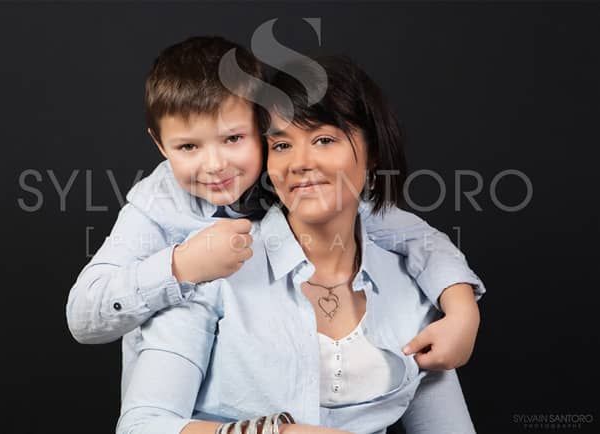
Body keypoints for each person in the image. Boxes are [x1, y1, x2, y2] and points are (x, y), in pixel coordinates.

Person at [65, 37, 484, 394]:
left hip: (279, 391)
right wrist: (180, 266)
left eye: (233, 138)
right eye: (188, 147)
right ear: (160, 145)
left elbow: (414, 235)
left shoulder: (290, 181)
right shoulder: (157, 204)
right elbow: (84, 318)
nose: (214, 165)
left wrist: (462, 309)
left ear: (262, 126)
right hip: (182, 409)